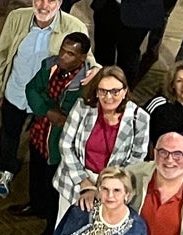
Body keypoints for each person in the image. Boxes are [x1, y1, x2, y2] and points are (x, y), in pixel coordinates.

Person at [0, 0, 89, 198]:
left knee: (41, 143)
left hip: (47, 100)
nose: (44, 6)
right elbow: (1, 56)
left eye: (51, 1)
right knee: (9, 134)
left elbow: (89, 62)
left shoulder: (75, 27)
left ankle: (39, 185)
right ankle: (5, 171)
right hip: (15, 91)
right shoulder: (16, 18)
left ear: (60, 2)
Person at [22, 33, 95, 235]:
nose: (63, 56)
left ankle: (50, 230)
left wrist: (59, 115)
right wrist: (48, 110)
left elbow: (79, 113)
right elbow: (32, 89)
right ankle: (35, 205)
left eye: (70, 54)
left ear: (81, 58)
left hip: (59, 142)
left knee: (53, 186)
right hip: (40, 131)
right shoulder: (50, 66)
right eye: (63, 50)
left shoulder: (85, 82)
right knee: (35, 171)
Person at [52, 66, 149, 226]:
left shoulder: (139, 118)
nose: (108, 97)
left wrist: (104, 187)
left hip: (113, 187)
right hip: (76, 180)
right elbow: (65, 144)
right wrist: (84, 183)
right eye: (103, 91)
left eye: (115, 91)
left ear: (125, 91)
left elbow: (137, 159)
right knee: (66, 232)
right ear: (96, 92)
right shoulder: (82, 108)